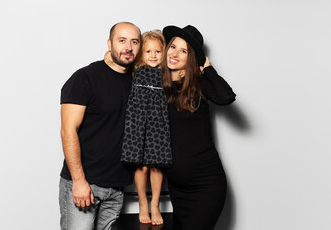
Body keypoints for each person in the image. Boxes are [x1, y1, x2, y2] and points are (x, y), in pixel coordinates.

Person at [59, 22, 141, 230]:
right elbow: (68, 131)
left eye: (134, 41)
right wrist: (78, 181)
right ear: (109, 44)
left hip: (117, 187)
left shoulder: (138, 82)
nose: (128, 47)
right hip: (85, 184)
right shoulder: (85, 78)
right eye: (122, 40)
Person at [161, 25, 236, 229]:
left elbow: (226, 97)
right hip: (177, 188)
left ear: (191, 58)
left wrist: (208, 68)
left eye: (183, 51)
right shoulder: (158, 85)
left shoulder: (199, 85)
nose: (174, 53)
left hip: (206, 187)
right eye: (173, 46)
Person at [120, 30, 172, 225]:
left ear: (164, 53)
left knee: (156, 167)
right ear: (141, 53)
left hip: (158, 124)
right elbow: (118, 59)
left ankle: (155, 205)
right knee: (141, 167)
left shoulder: (167, 73)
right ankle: (143, 203)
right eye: (148, 51)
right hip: (137, 123)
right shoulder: (134, 69)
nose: (153, 55)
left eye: (158, 51)